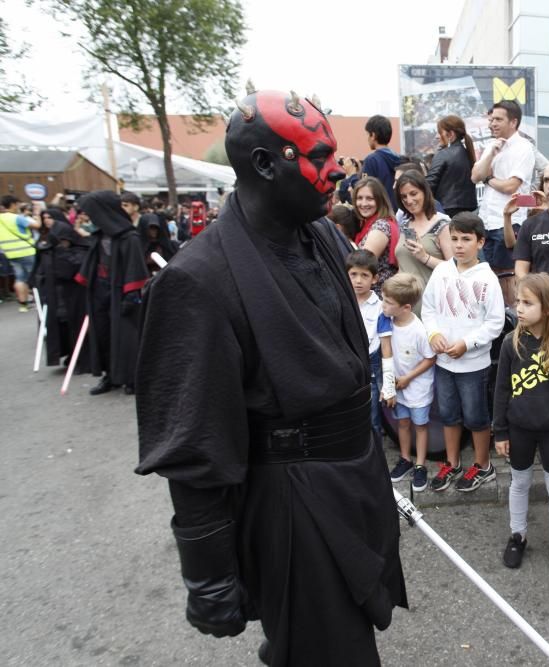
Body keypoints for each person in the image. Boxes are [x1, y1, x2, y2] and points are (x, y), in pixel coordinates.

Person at [134, 90, 406, 666]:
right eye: (316, 154)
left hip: (354, 476)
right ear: (263, 164)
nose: (336, 169)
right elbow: (192, 441)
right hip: (291, 499)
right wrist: (207, 575)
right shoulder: (197, 280)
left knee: (326, 635)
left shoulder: (325, 236)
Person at [494, 273, 549, 576]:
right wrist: (500, 431)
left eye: (527, 303)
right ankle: (517, 536)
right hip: (518, 429)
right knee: (518, 484)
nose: (518, 307)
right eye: (517, 301)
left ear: (547, 308)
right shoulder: (510, 342)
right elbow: (501, 390)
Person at [422, 212, 506, 493]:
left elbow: (495, 323)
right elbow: (429, 308)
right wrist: (433, 334)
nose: (459, 245)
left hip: (473, 364)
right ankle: (453, 462)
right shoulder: (442, 271)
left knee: (476, 416)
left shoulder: (487, 278)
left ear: (480, 242)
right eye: (454, 239)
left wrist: (466, 344)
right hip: (444, 362)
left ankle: (483, 465)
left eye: (466, 239)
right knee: (448, 414)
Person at [74, 191, 148, 396]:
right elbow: (93, 262)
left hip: (120, 291)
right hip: (100, 289)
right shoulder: (99, 236)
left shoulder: (129, 237)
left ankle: (130, 377)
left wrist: (131, 294)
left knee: (124, 336)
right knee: (103, 333)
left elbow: (135, 267)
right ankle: (110, 375)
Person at [382, 273, 436, 493]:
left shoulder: (419, 330)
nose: (383, 305)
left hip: (417, 388)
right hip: (397, 387)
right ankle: (405, 459)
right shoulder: (386, 321)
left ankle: (420, 464)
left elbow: (430, 358)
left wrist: (408, 378)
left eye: (388, 302)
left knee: (420, 425)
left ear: (405, 307)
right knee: (403, 423)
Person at [471, 100, 535, 274]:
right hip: (485, 222)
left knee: (507, 278)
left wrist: (489, 178)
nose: (492, 124)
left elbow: (510, 186)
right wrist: (491, 154)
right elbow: (475, 176)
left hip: (509, 224)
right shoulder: (491, 146)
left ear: (513, 122)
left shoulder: (524, 148)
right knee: (486, 276)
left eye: (498, 119)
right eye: (491, 120)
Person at [29, 207, 90, 368]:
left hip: (71, 292)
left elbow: (71, 268)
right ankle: (65, 354)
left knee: (73, 324)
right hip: (51, 291)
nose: (47, 220)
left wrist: (61, 250)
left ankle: (78, 356)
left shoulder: (76, 246)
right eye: (45, 217)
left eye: (50, 217)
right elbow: (39, 266)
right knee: (57, 325)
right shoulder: (44, 244)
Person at [346, 249, 388, 445]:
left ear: (374, 278)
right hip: (347, 361)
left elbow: (385, 342)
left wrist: (387, 383)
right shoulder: (344, 302)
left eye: (364, 275)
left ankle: (376, 455)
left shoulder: (380, 307)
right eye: (353, 274)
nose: (358, 280)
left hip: (371, 363)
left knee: (372, 416)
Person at [393, 170, 452, 307]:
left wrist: (425, 257)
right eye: (404, 196)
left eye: (413, 194)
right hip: (404, 305)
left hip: (432, 304)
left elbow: (454, 269)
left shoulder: (442, 225)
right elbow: (404, 265)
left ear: (425, 192)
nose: (409, 200)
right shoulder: (405, 225)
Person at [352, 176, 399, 295]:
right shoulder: (367, 223)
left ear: (380, 200)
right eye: (359, 198)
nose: (363, 203)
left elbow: (361, 263)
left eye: (369, 198)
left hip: (376, 297)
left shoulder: (380, 226)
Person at [425, 115, 478, 217]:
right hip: (469, 212)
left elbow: (429, 184)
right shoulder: (468, 154)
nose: (437, 136)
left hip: (446, 211)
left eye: (439, 132)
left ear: (450, 135)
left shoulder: (443, 154)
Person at [0, 194, 41, 311]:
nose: (18, 206)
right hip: (27, 251)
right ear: (13, 205)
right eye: (17, 204)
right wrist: (37, 213)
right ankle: (41, 301)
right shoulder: (16, 218)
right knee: (35, 277)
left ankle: (23, 305)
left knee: (20, 278)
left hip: (10, 253)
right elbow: (37, 225)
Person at [360, 114, 402, 209]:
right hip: (399, 213)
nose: (367, 139)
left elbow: (364, 189)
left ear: (373, 135)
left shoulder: (371, 160)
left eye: (367, 134)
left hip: (381, 212)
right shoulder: (400, 159)